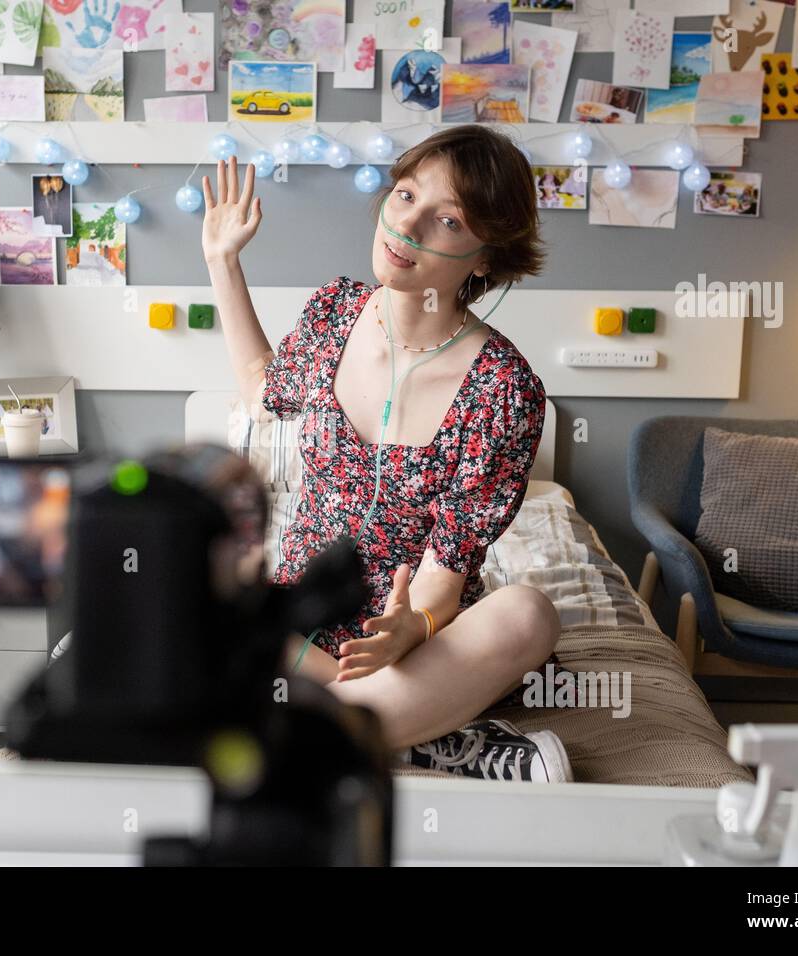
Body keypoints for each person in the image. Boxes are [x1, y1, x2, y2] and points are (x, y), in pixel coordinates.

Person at [202, 125, 571, 782]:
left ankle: (327, 727)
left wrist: (414, 627)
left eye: (449, 220)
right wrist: (222, 262)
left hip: (410, 643)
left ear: (486, 256)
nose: (410, 226)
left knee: (529, 614)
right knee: (187, 588)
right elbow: (264, 388)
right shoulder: (336, 311)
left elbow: (444, 575)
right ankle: (425, 743)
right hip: (305, 626)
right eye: (405, 197)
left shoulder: (504, 390)